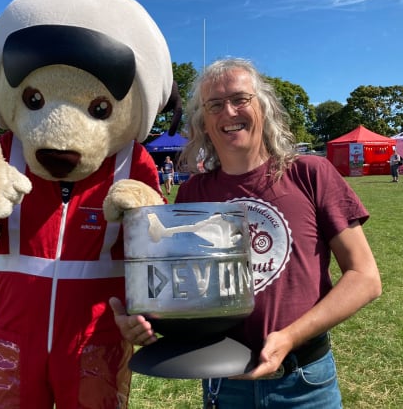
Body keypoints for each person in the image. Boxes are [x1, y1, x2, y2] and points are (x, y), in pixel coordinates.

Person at [110, 58, 382, 408]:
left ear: (263, 108)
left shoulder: (311, 174)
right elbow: (184, 287)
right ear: (203, 122)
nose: (229, 112)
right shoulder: (194, 192)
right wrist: (145, 322)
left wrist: (288, 337)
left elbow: (365, 277)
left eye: (240, 99)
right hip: (224, 379)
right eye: (215, 105)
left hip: (303, 381)